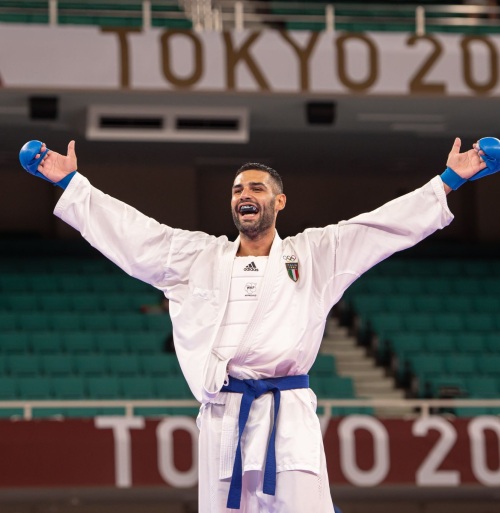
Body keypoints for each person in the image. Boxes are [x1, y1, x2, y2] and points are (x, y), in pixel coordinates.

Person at [20, 136, 495, 513]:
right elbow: (134, 234)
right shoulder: (196, 258)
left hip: (286, 414)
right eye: (237, 190)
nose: (244, 195)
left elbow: (379, 228)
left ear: (279, 202)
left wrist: (449, 180)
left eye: (256, 188)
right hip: (223, 416)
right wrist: (72, 186)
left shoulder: (314, 254)